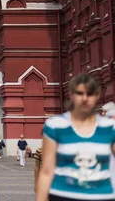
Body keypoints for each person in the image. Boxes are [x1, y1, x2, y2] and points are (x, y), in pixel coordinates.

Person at [36, 73, 115, 201]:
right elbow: (46, 171)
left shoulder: (110, 127)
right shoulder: (55, 125)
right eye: (79, 93)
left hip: (102, 196)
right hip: (64, 195)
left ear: (97, 95)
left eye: (89, 94)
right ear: (71, 95)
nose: (84, 98)